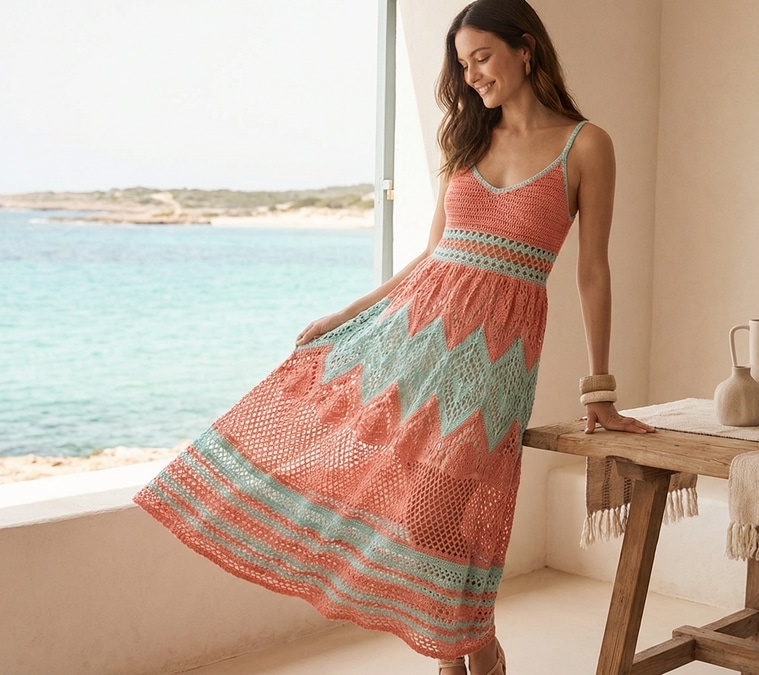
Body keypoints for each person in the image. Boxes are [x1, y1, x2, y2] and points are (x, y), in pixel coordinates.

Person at [134, 0, 653, 672]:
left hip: (492, 359)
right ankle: (463, 658)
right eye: (462, 65)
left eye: (482, 58)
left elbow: (593, 271)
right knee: (390, 498)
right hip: (412, 340)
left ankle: (473, 650)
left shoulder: (586, 145)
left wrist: (599, 390)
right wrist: (347, 313)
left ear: (526, 49)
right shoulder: (466, 141)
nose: (472, 76)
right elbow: (434, 254)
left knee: (436, 516)